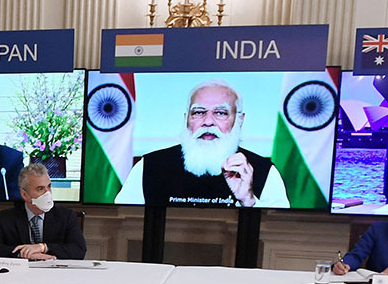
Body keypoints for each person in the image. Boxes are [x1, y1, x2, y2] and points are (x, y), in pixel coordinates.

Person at [115, 80, 289, 207]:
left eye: (220, 113)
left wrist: (248, 201)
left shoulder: (264, 172)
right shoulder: (149, 166)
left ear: (239, 120)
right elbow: (121, 222)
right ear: (187, 119)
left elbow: (278, 233)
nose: (208, 122)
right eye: (198, 112)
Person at [0, 163, 86, 260]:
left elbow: (79, 249)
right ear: (25, 195)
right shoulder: (7, 217)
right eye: (40, 189)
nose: (47, 193)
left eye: (49, 187)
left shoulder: (66, 216)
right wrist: (24, 253)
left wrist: (43, 248)